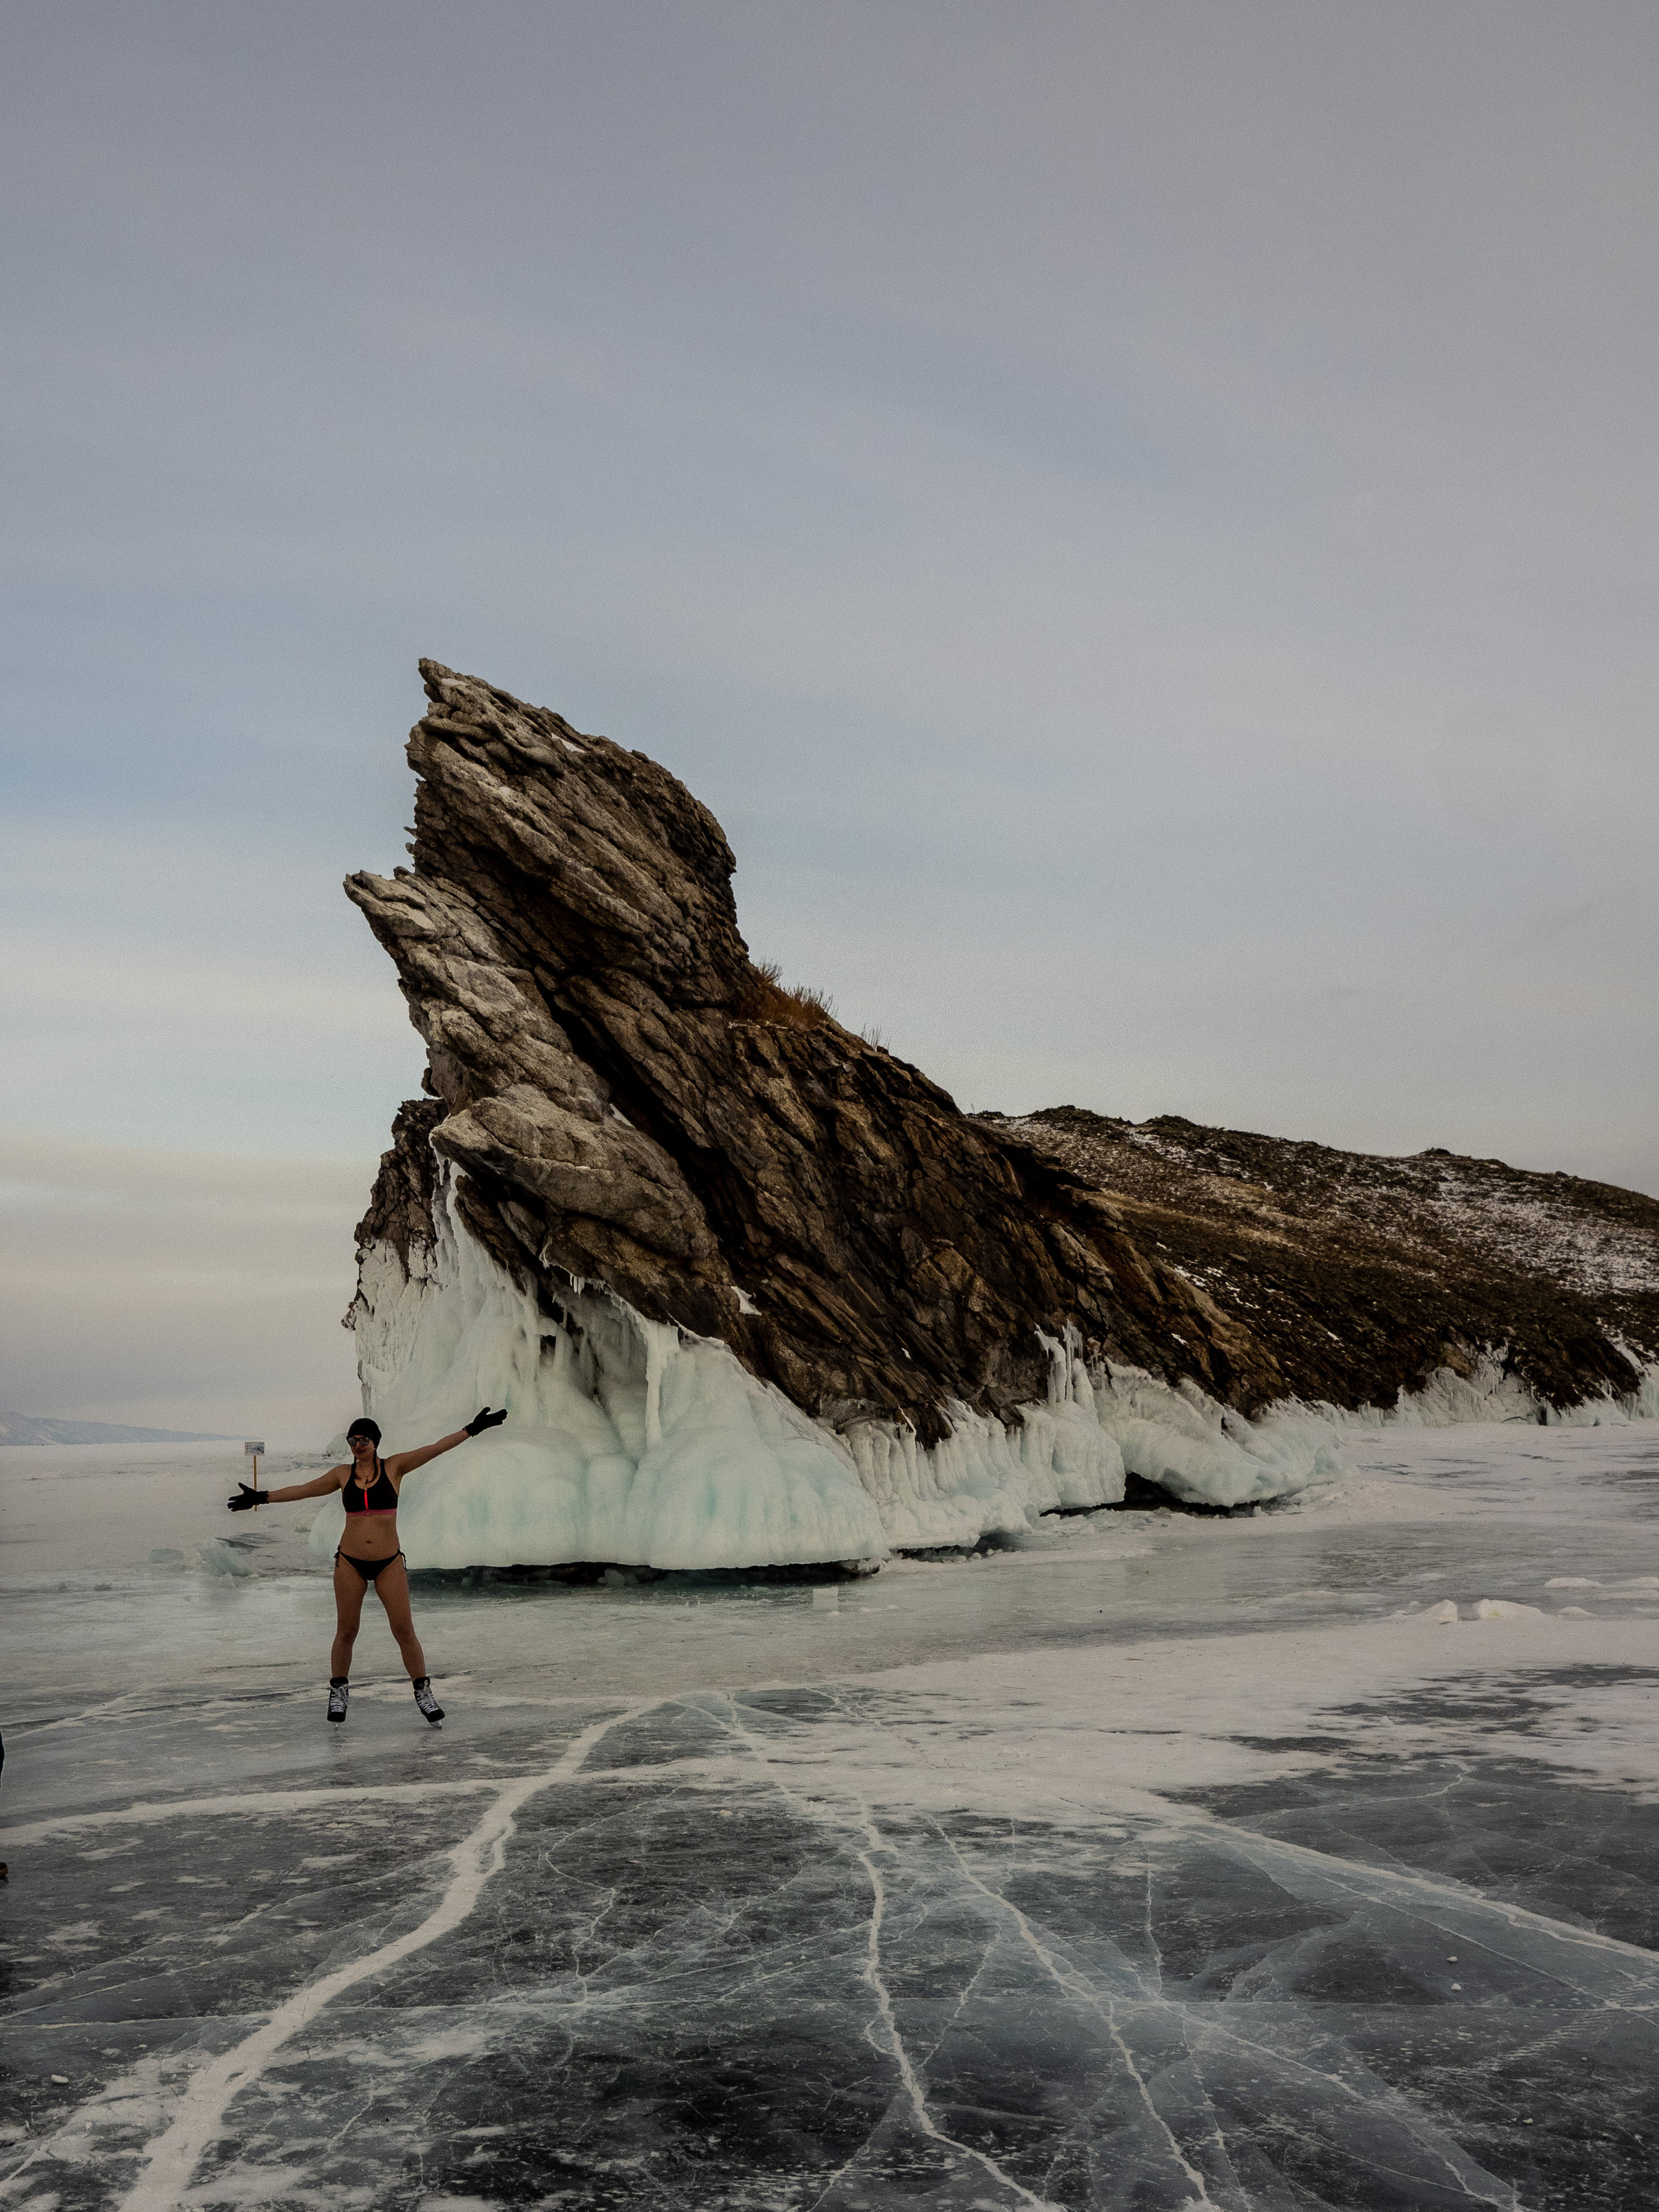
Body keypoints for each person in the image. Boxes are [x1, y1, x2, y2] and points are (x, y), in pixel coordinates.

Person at [227, 1409, 507, 1725]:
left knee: (404, 1631)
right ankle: (338, 1693)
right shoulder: (342, 1475)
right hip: (350, 1562)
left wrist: (472, 1429)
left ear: (375, 1442)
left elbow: (435, 1449)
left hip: (389, 1563)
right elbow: (305, 1489)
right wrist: (261, 1497)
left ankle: (423, 1693)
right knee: (346, 1631)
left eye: (363, 1440)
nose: (358, 1445)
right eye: (352, 1440)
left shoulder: (395, 1467)